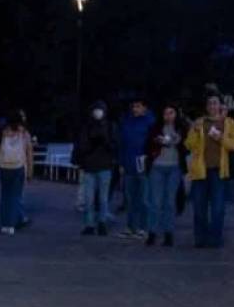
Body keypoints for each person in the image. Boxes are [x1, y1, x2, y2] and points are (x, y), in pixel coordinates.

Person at [185, 95, 234, 248]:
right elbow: (189, 144)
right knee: (199, 208)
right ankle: (200, 239)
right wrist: (196, 131)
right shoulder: (199, 123)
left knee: (218, 209)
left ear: (220, 106)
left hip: (219, 171)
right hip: (200, 171)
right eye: (209, 103)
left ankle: (215, 239)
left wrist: (221, 138)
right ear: (206, 107)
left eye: (215, 103)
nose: (212, 106)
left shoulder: (229, 123)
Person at [144, 103, 188, 247]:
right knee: (155, 202)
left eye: (171, 113)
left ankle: (168, 233)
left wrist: (180, 141)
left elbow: (188, 147)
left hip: (174, 167)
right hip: (157, 167)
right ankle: (152, 233)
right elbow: (147, 146)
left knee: (170, 202)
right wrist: (157, 142)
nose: (168, 116)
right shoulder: (155, 128)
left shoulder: (181, 128)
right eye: (166, 113)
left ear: (176, 114)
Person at [73, 101, 117, 235]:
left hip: (105, 166)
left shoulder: (110, 126)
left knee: (103, 198)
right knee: (89, 198)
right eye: (95, 109)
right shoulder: (86, 127)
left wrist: (105, 141)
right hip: (89, 167)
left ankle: (102, 222)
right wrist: (92, 142)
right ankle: (89, 224)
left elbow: (115, 145)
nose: (98, 112)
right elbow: (81, 146)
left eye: (100, 110)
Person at [117, 99, 152, 238]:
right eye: (134, 106)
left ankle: (144, 228)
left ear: (144, 108)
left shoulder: (150, 122)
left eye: (138, 106)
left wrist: (149, 160)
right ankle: (130, 227)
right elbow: (122, 144)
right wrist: (121, 163)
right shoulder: (127, 122)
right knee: (130, 199)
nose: (135, 109)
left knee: (144, 198)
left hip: (143, 165)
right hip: (129, 165)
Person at [0, 111, 32, 234]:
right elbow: (29, 152)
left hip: (4, 168)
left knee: (5, 196)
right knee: (15, 196)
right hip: (18, 168)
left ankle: (4, 223)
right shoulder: (24, 133)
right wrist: (30, 170)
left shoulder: (0, 133)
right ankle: (12, 223)